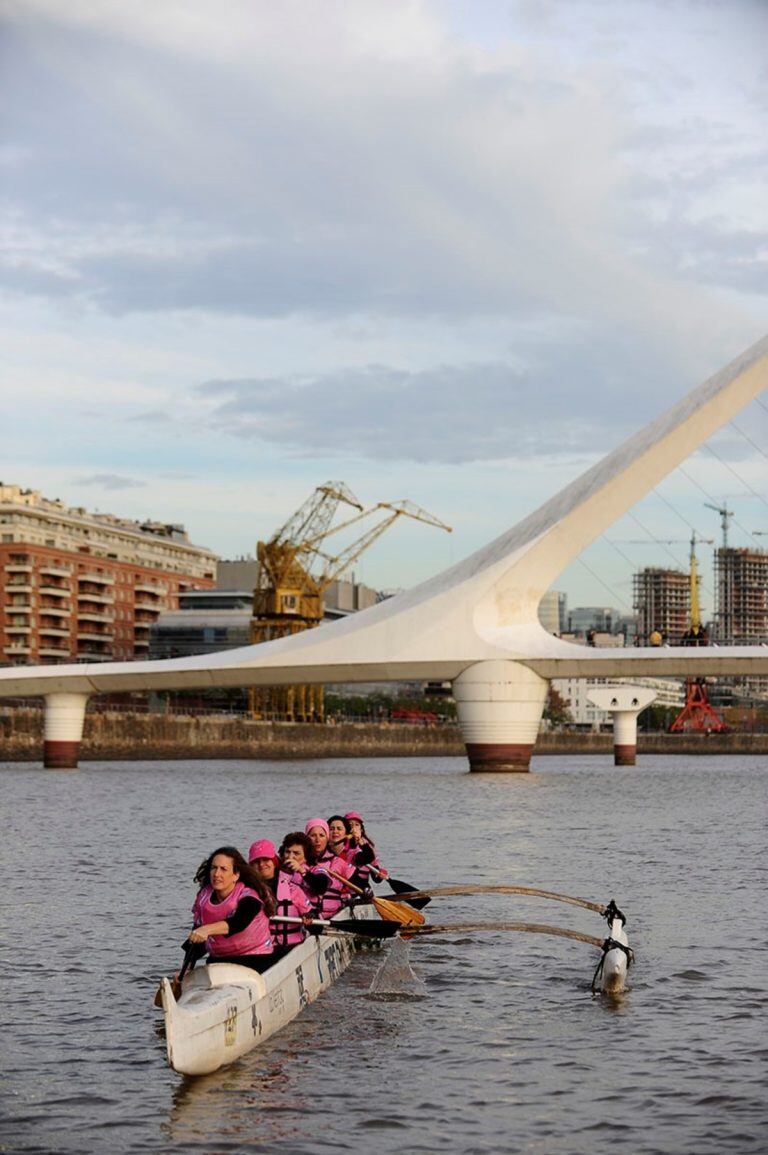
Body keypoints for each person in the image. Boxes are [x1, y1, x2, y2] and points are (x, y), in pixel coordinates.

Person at [187, 846, 274, 973]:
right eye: (214, 868)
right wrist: (187, 967)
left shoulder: (250, 896)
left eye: (223, 869)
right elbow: (197, 938)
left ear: (235, 875)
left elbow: (239, 923)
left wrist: (207, 929)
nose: (217, 874)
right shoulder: (203, 898)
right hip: (219, 959)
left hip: (254, 958)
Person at [249, 837, 314, 962]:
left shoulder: (292, 889)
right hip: (260, 951)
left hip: (290, 948)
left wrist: (310, 917)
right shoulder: (246, 892)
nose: (262, 864)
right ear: (250, 866)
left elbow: (316, 924)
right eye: (256, 861)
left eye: (266, 860)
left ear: (274, 861)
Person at [304, 818, 361, 918]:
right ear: (306, 839)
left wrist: (365, 892)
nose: (317, 840)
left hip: (335, 917)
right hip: (309, 918)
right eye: (313, 835)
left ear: (327, 838)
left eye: (321, 835)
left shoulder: (337, 862)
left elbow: (359, 884)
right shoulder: (300, 863)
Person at [344, 810, 386, 886]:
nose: (353, 828)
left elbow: (375, 878)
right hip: (345, 889)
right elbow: (358, 858)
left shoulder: (369, 847)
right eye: (350, 825)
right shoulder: (342, 845)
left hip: (363, 890)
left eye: (357, 825)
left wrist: (380, 875)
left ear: (361, 829)